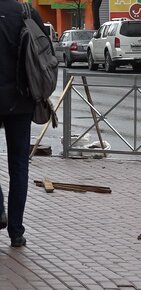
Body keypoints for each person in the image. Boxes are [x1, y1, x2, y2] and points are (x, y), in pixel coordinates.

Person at [0, 0, 46, 247]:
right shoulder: (26, 12)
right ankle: (16, 231)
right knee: (19, 165)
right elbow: (44, 50)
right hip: (21, 99)